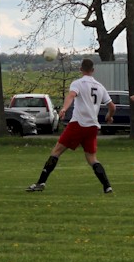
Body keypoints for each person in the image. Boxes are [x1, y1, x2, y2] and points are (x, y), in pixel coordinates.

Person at [26, 58, 115, 194]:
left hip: (78, 124)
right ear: (93, 70)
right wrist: (109, 116)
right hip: (92, 126)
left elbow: (71, 96)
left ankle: (41, 183)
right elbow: (112, 106)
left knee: (56, 151)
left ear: (80, 69)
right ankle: (107, 186)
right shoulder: (100, 86)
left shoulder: (77, 83)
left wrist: (64, 109)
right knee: (92, 158)